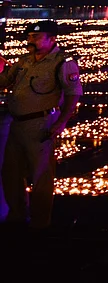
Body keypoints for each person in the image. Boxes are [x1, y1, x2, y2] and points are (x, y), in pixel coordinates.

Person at [0, 20, 82, 229]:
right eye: (29, 37)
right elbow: (5, 80)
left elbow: (73, 95)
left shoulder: (62, 63)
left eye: (36, 37)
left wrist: (61, 123)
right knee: (11, 172)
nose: (30, 40)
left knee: (41, 175)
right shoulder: (25, 61)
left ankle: (40, 223)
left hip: (41, 125)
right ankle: (17, 215)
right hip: (17, 125)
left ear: (52, 39)